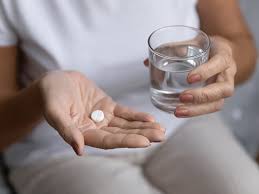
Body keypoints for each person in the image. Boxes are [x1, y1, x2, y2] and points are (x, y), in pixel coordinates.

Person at [0, 0, 258, 194]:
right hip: (61, 148)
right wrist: (41, 95)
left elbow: (241, 45)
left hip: (180, 121)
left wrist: (226, 58)